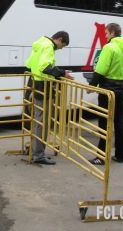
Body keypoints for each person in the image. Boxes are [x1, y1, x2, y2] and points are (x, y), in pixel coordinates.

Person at [25, 31, 74, 165]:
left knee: (37, 121)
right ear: (59, 39)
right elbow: (45, 67)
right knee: (43, 122)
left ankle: (35, 150)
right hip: (43, 88)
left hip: (34, 84)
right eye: (62, 46)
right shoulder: (49, 47)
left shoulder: (40, 44)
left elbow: (29, 65)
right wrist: (62, 73)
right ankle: (39, 155)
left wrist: (59, 73)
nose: (61, 48)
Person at [88, 23, 123, 165]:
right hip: (120, 89)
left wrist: (92, 86)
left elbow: (101, 69)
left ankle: (101, 157)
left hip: (107, 89)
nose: (105, 36)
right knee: (119, 122)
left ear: (113, 33)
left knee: (104, 123)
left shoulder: (109, 47)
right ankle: (120, 155)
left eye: (106, 33)